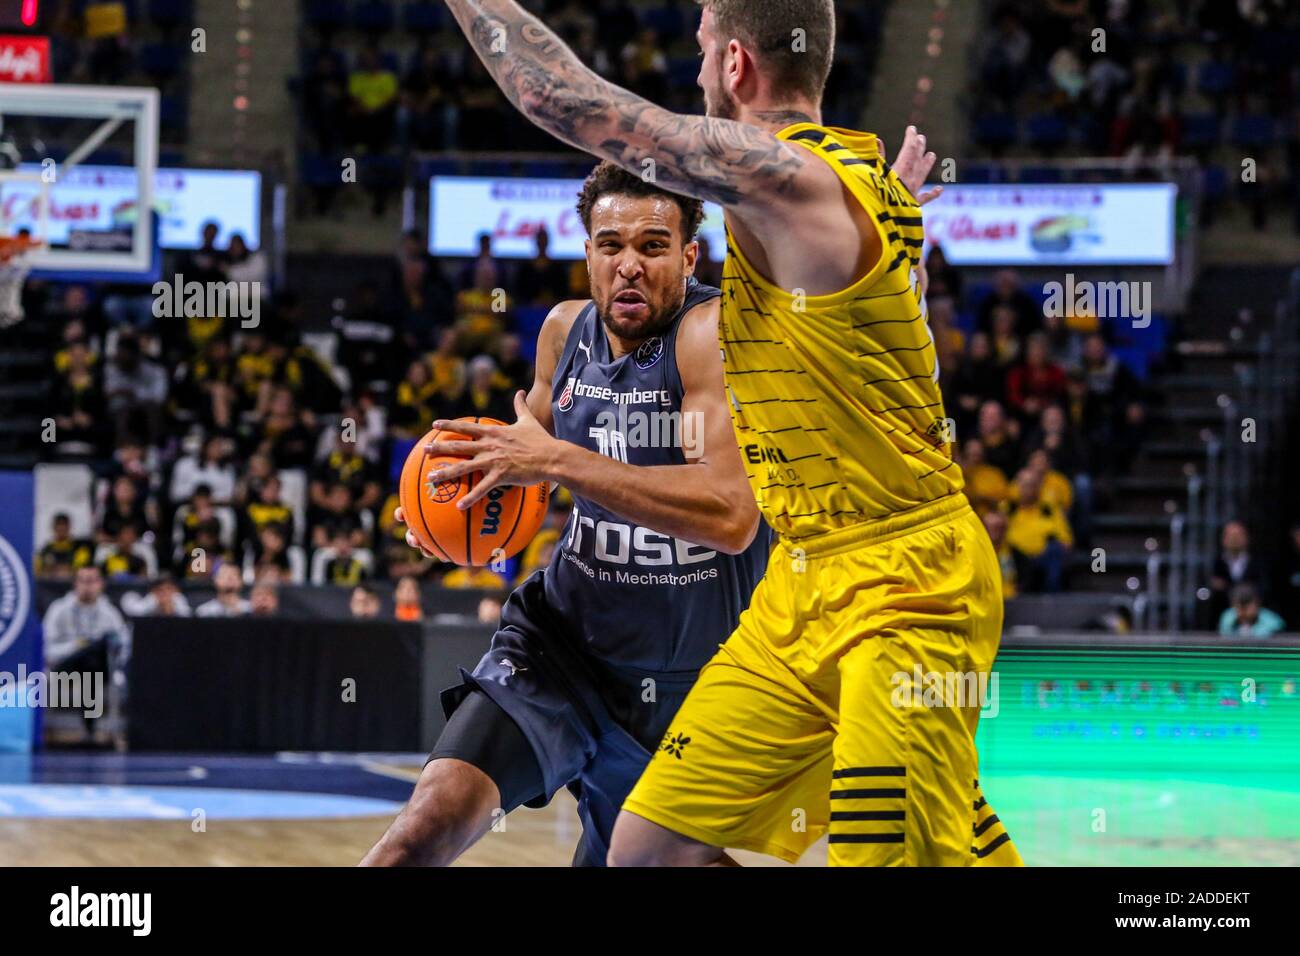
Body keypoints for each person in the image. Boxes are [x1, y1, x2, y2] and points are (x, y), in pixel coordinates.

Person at [440, 0, 1020, 866]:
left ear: (739, 64)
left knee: (888, 857)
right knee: (648, 850)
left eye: (704, 47)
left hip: (905, 586)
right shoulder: (848, 187)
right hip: (800, 586)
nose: (698, 67)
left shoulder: (786, 179)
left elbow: (562, 98)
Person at [361, 163, 770, 868]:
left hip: (683, 691)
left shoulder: (710, 337)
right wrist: (452, 500)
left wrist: (556, 461)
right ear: (588, 254)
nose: (629, 265)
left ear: (689, 256)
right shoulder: (562, 333)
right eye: (610, 245)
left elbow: (730, 515)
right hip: (558, 648)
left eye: (653, 245)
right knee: (421, 832)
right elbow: (526, 465)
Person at [41, 567, 128, 743]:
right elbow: (45, 646)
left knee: (93, 661)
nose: (87, 586)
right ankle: (90, 731)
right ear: (75, 584)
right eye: (83, 581)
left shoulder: (110, 613)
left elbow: (123, 647)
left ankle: (91, 649)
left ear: (101, 585)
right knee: (92, 653)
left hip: (99, 671)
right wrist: (78, 647)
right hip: (64, 668)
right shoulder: (59, 609)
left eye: (92, 581)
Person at [1218, 584, 1286, 637]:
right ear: (1233, 605)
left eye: (1247, 608)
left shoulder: (1273, 622)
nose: (1244, 612)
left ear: (1258, 603)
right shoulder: (1227, 617)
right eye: (1239, 608)